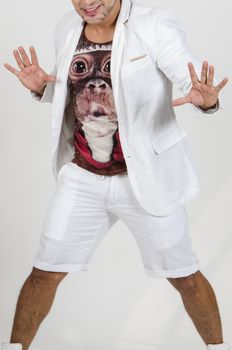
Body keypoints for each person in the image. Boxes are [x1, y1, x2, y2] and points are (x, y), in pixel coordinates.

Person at [2, 0, 230, 350]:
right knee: (44, 271)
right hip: (83, 176)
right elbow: (73, 91)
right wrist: (41, 88)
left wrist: (205, 99)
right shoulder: (67, 26)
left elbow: (187, 74)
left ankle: (218, 347)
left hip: (145, 178)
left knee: (185, 276)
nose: (87, 2)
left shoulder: (153, 24)